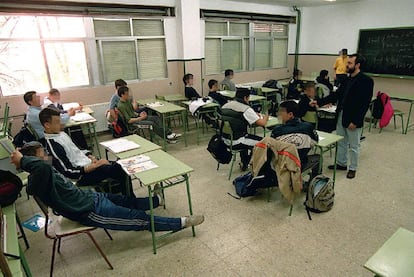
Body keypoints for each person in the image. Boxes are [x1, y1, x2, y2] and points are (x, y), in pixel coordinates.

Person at [12, 143, 204, 232]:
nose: (47, 155)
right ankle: (181, 223)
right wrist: (22, 160)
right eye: (42, 154)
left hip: (90, 198)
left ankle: (156, 200)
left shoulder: (43, 171)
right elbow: (41, 167)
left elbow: (43, 167)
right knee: (139, 220)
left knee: (127, 200)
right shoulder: (39, 177)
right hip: (88, 211)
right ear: (33, 160)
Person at [39, 107, 133, 195]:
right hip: (82, 175)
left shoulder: (61, 133)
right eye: (57, 122)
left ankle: (118, 193)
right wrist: (95, 166)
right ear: (47, 125)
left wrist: (91, 156)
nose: (61, 124)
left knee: (120, 166)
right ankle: (130, 201)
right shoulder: (52, 146)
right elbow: (68, 172)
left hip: (88, 163)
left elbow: (78, 149)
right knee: (121, 169)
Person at [328, 53, 374, 179]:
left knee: (354, 145)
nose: (346, 65)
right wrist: (319, 101)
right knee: (341, 142)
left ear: (357, 65)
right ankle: (341, 163)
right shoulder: (346, 80)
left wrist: (356, 121)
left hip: (353, 118)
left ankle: (353, 168)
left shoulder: (366, 81)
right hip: (341, 114)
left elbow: (365, 104)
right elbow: (336, 95)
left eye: (349, 63)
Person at [270, 100, 320, 184]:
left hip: (280, 165)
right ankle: (311, 185)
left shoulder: (277, 130)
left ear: (290, 115)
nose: (278, 114)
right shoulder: (308, 127)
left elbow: (272, 148)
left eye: (281, 112)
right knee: (318, 158)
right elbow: (314, 142)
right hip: (300, 164)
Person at [221, 87, 269, 171]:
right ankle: (255, 165)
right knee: (264, 143)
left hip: (224, 139)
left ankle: (244, 162)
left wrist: (253, 115)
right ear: (245, 98)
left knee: (246, 136)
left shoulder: (225, 105)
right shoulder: (245, 108)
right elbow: (263, 123)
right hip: (236, 141)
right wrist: (266, 117)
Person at [116, 86, 181, 143]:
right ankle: (167, 138)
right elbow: (129, 120)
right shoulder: (121, 106)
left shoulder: (127, 101)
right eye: (127, 94)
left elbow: (132, 112)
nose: (129, 95)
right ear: (122, 95)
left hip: (137, 117)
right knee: (152, 123)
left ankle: (169, 133)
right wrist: (141, 118)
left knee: (156, 118)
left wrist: (140, 114)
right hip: (134, 122)